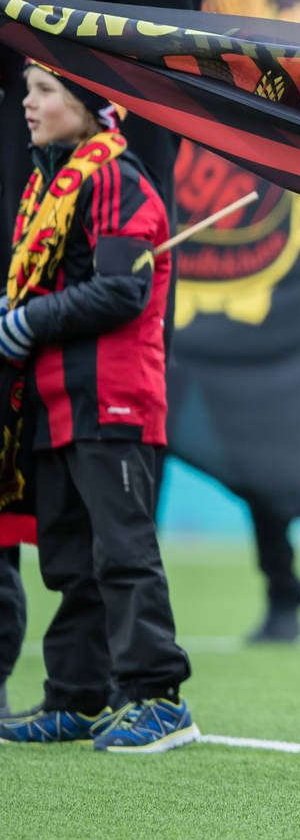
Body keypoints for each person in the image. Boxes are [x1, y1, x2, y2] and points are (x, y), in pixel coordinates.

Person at [0, 0, 199, 711]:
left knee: (102, 488)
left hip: (109, 207)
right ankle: (72, 688)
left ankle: (140, 684)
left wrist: (119, 211)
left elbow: (165, 82)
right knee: (48, 486)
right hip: (29, 199)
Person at [0, 64, 191, 751]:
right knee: (71, 559)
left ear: (85, 105)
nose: (28, 103)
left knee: (123, 552)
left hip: (112, 398)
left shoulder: (115, 177)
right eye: (28, 89)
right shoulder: (49, 183)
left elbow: (120, 293)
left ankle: (159, 698)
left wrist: (27, 318)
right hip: (57, 402)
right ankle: (75, 697)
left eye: (44, 91)